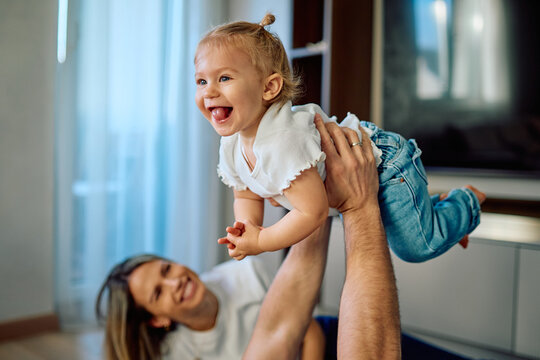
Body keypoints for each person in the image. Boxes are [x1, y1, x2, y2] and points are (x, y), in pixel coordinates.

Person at [195, 13, 485, 263]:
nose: (208, 91)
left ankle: (467, 201)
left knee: (416, 247)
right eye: (201, 81)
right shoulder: (231, 144)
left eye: (224, 78)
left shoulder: (281, 139)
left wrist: (262, 241)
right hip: (355, 179)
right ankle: (434, 210)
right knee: (409, 228)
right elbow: (246, 193)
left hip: (382, 164)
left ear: (269, 88)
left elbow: (313, 212)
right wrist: (247, 226)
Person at [96, 123, 403, 359]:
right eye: (158, 293)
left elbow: (288, 326)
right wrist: (356, 205)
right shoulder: (181, 352)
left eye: (166, 271)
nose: (175, 283)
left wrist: (313, 188)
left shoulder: (238, 277)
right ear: (157, 320)